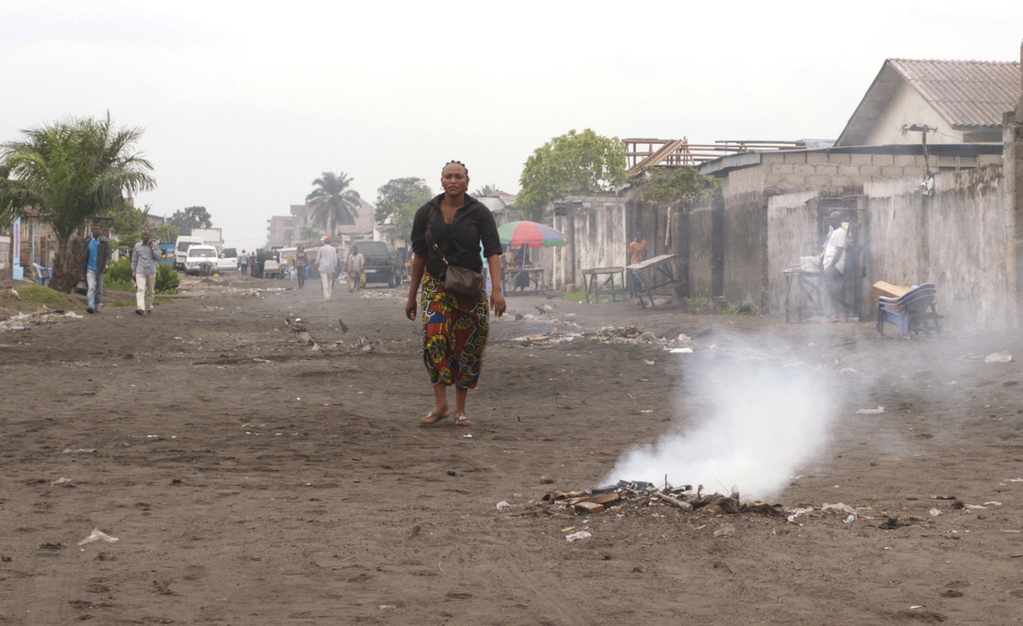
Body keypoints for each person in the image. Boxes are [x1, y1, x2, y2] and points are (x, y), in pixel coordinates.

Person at [405, 160, 505, 427]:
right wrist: (411, 295)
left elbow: (493, 252)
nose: (453, 180)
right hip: (436, 286)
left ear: (467, 181)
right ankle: (441, 404)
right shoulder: (426, 213)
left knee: (468, 345)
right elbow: (419, 255)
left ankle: (460, 409)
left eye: (458, 176)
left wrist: (497, 290)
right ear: (441, 181)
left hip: (470, 289)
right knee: (434, 337)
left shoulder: (480, 213)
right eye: (448, 176)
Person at [820, 211, 847, 323]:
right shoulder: (835, 232)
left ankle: (832, 315)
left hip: (834, 267)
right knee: (831, 290)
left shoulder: (840, 232)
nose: (831, 221)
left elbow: (839, 250)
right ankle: (835, 315)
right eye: (830, 219)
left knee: (826, 290)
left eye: (833, 219)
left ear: (839, 220)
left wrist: (831, 266)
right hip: (831, 266)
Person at [81, 224, 110, 314]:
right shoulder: (87, 242)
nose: (96, 231)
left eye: (98, 229)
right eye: (95, 229)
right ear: (92, 231)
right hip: (90, 269)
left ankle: (96, 305)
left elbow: (108, 256)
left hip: (101, 269)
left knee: (99, 290)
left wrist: (107, 265)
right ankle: (91, 306)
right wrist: (83, 271)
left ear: (100, 231)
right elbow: (84, 257)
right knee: (91, 287)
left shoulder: (104, 242)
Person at [131, 229, 161, 315]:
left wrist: (152, 249)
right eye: (143, 235)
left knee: (150, 291)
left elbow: (158, 257)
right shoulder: (137, 246)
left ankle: (149, 306)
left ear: (149, 236)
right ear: (141, 236)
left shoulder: (154, 245)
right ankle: (140, 308)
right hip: (140, 270)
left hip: (151, 271)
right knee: (140, 289)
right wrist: (134, 272)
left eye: (146, 235)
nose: (145, 236)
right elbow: (135, 260)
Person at [316, 237, 339, 301]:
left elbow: (318, 258)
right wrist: (335, 266)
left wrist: (317, 263)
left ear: (324, 242)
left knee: (324, 282)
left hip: (323, 267)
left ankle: (326, 297)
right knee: (330, 281)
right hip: (331, 267)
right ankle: (329, 296)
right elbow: (335, 259)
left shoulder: (321, 249)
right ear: (330, 242)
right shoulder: (333, 249)